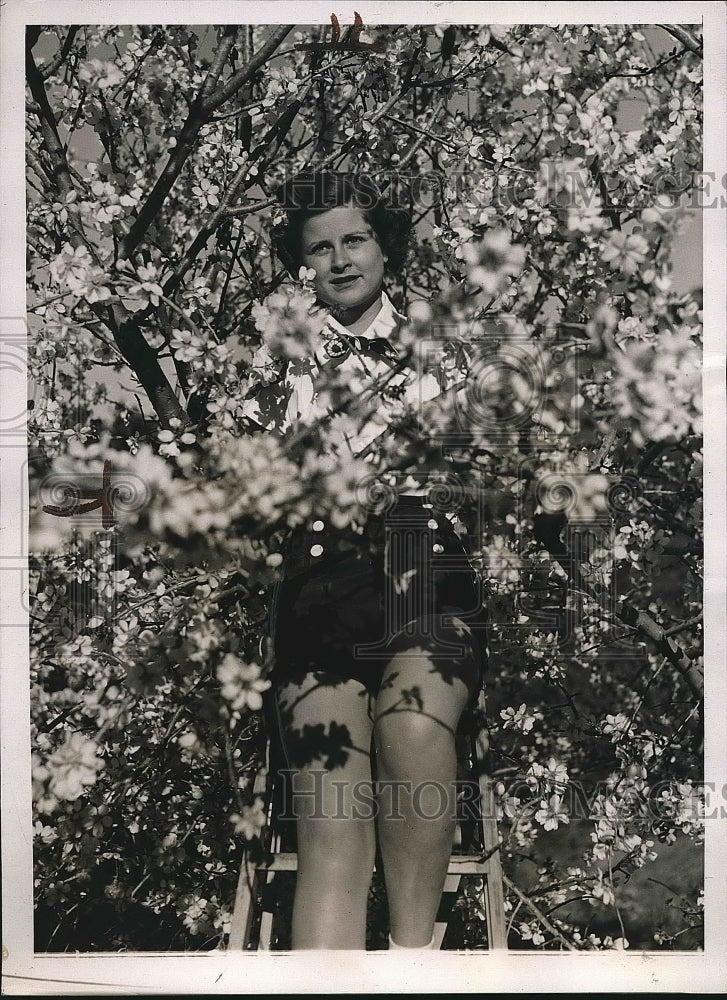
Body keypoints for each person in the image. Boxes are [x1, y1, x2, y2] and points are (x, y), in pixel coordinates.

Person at [250, 171, 486, 950]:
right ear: (300, 267)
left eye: (354, 239)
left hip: (424, 558)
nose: (340, 259)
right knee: (330, 815)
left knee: (414, 732)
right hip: (321, 572)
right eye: (319, 249)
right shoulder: (271, 354)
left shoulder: (442, 338)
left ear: (384, 245)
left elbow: (487, 459)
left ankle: (410, 960)